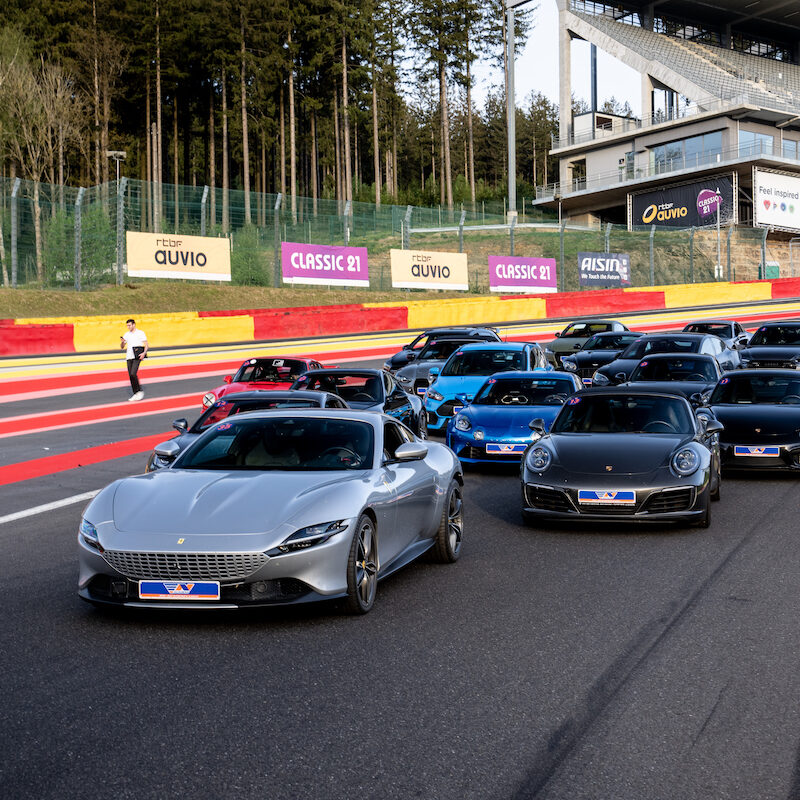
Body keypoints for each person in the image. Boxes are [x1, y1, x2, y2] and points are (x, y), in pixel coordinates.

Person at [120, 318, 148, 401]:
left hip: (137, 356)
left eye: (129, 325)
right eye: (127, 325)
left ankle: (139, 391)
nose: (128, 327)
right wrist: (122, 342)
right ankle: (135, 393)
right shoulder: (127, 334)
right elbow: (122, 347)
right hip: (129, 356)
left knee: (133, 373)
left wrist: (144, 353)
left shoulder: (140, 333)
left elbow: (146, 344)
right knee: (131, 376)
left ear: (134, 324)